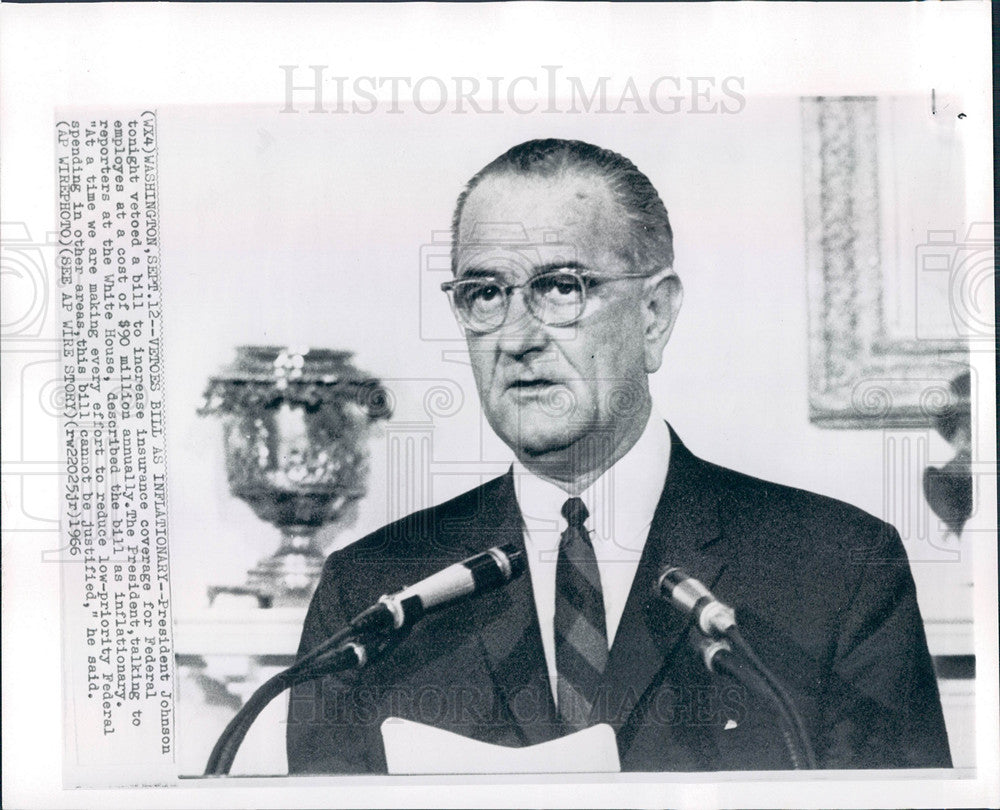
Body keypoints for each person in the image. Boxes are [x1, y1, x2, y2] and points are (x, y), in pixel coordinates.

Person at [286, 138, 951, 772]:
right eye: (485, 294)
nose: (518, 338)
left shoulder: (839, 569)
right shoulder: (370, 590)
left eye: (561, 287)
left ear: (654, 315)